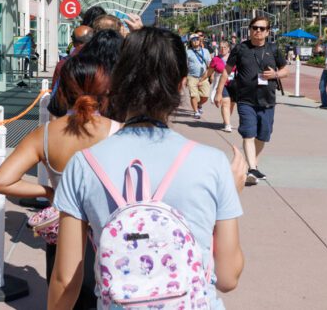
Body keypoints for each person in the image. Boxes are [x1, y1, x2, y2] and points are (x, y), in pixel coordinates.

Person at [50, 28, 247, 310]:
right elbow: (228, 277)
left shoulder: (84, 164)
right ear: (180, 84)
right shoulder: (211, 163)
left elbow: (65, 278)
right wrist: (230, 195)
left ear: (116, 82)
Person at [0, 56, 118, 309]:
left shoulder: (45, 134)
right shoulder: (119, 131)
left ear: (63, 90)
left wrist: (49, 191)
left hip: (63, 235)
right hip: (109, 236)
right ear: (105, 90)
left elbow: (1, 182)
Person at [215, 16, 288, 186]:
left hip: (268, 100)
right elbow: (226, 71)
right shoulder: (241, 48)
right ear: (250, 29)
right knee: (249, 133)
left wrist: (275, 74)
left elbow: (285, 70)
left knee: (263, 135)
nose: (258, 31)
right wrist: (219, 93)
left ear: (268, 32)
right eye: (255, 27)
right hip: (245, 99)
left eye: (262, 28)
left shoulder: (274, 49)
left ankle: (251, 166)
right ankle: (253, 169)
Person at [50, 29, 122, 117]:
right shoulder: (124, 74)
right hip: (111, 124)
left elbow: (55, 105)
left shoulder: (75, 67)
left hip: (70, 122)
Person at [49, 25, 93, 115]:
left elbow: (54, 93)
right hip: (96, 115)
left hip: (68, 115)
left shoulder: (63, 64)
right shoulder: (100, 62)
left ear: (73, 41)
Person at [186, 33, 212, 119]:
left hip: (203, 77)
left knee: (205, 96)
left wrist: (210, 76)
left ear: (199, 40)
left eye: (197, 39)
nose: (196, 41)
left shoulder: (206, 51)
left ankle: (199, 104)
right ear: (190, 42)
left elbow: (209, 65)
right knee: (193, 95)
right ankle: (196, 111)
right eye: (193, 40)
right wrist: (185, 78)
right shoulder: (188, 52)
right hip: (192, 76)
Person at [209, 43, 233, 132]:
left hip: (233, 84)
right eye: (221, 47)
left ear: (229, 48)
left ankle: (226, 120)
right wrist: (202, 80)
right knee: (226, 102)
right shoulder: (216, 59)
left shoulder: (234, 58)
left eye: (225, 47)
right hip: (222, 84)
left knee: (232, 104)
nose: (223, 49)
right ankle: (227, 125)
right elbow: (209, 71)